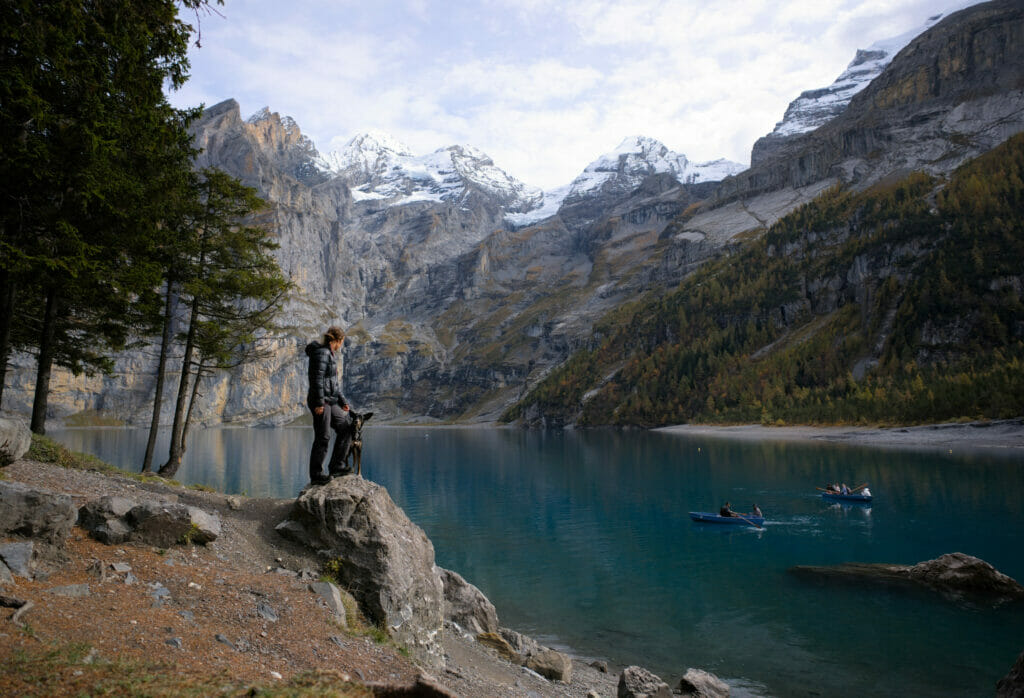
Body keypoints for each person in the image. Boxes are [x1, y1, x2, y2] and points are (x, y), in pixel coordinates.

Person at [306, 326, 351, 485]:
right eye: (341, 342)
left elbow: (333, 384)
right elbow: (316, 379)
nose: (341, 346)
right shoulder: (322, 353)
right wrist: (319, 403)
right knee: (323, 437)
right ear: (337, 341)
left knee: (346, 428)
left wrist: (343, 402)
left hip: (331, 401)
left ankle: (337, 466)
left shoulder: (330, 354)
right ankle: (316, 475)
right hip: (321, 401)